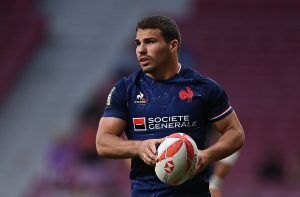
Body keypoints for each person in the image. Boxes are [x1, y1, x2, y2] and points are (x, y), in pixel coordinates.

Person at [96, 15, 245, 196]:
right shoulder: (125, 89)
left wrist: (207, 156)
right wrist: (138, 147)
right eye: (138, 43)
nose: (141, 50)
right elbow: (103, 142)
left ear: (173, 45)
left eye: (149, 42)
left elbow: (235, 133)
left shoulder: (203, 88)